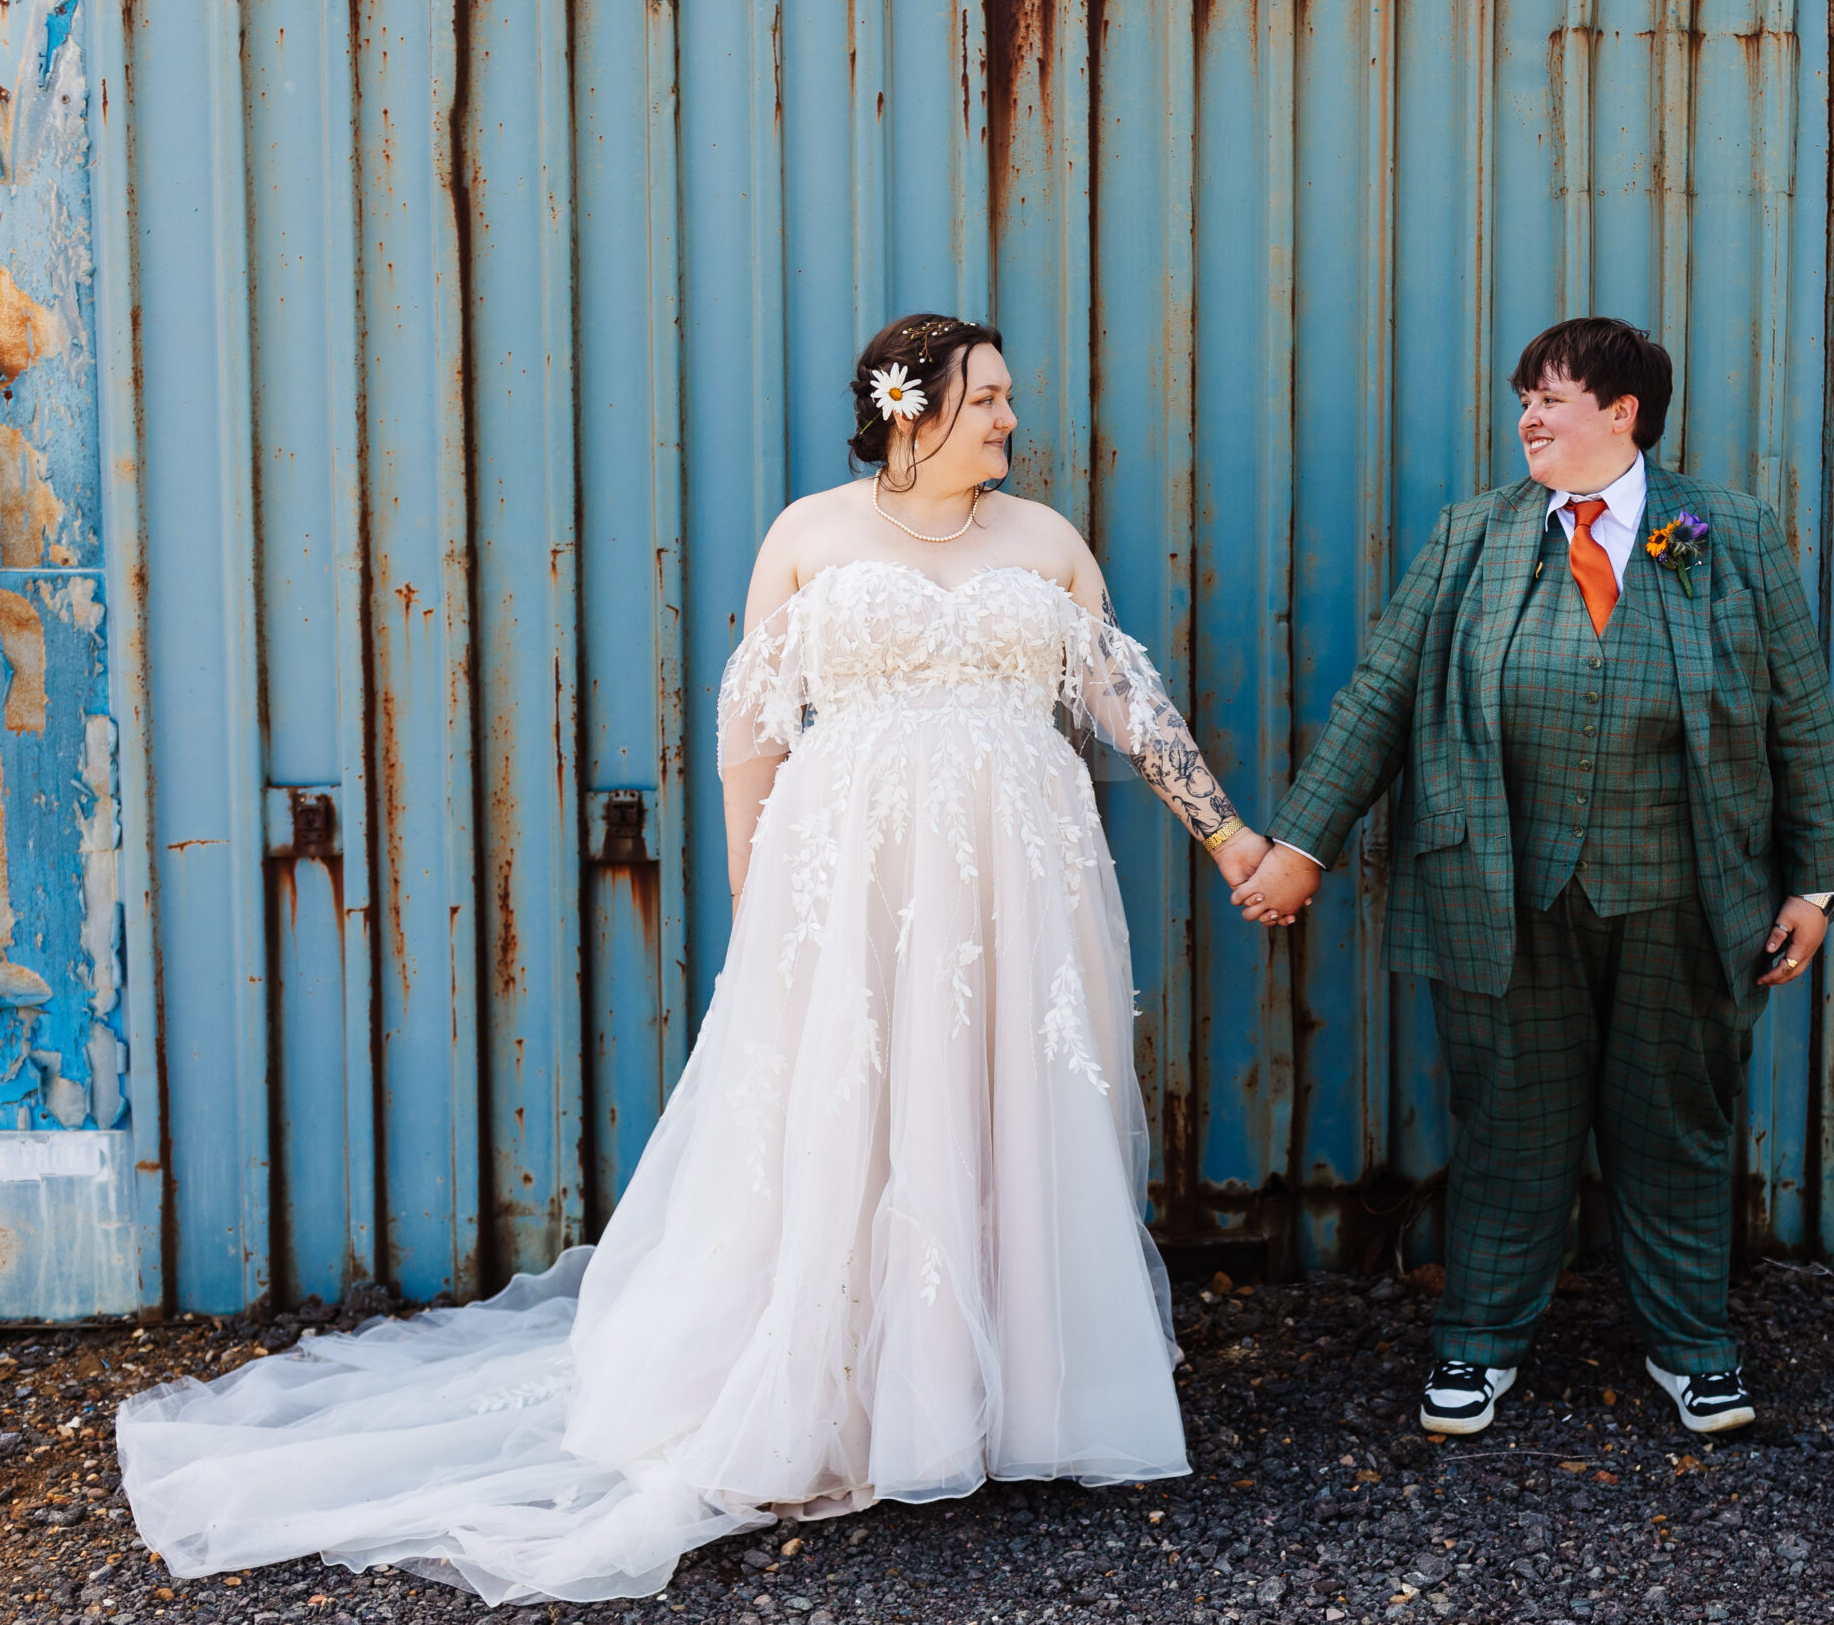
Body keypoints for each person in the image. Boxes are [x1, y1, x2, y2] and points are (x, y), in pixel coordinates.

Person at [115, 316, 1273, 1605]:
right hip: (851, 876)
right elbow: (748, 729)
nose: (1010, 420)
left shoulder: (1045, 541)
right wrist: (758, 891)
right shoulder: (809, 534)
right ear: (911, 407)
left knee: (1003, 1103)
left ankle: (1011, 1394)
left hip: (1018, 871)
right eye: (987, 398)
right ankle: (839, 1391)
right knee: (860, 1108)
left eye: (1006, 399)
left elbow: (1127, 705)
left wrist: (1227, 838)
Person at [1231, 317, 1834, 1438]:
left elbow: (1797, 711)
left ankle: (1693, 1348)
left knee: (1676, 1123)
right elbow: (1381, 694)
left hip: (1683, 885)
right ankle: (1478, 1344)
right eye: (1524, 395)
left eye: (1554, 397)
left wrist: (1814, 885)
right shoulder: (1473, 533)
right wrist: (1300, 843)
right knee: (1512, 1122)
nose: (1528, 414)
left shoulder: (1728, 533)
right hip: (1502, 886)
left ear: (1623, 414)